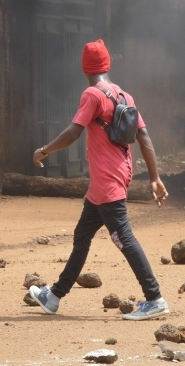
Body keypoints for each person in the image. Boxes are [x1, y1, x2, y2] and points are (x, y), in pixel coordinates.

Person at [28, 39, 170, 321]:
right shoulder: (125, 96)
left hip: (107, 182)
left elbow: (72, 133)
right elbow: (144, 137)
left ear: (85, 68)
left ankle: (154, 299)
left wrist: (43, 150)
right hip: (109, 180)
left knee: (124, 239)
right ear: (107, 64)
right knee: (82, 236)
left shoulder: (92, 95)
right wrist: (154, 177)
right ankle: (54, 297)